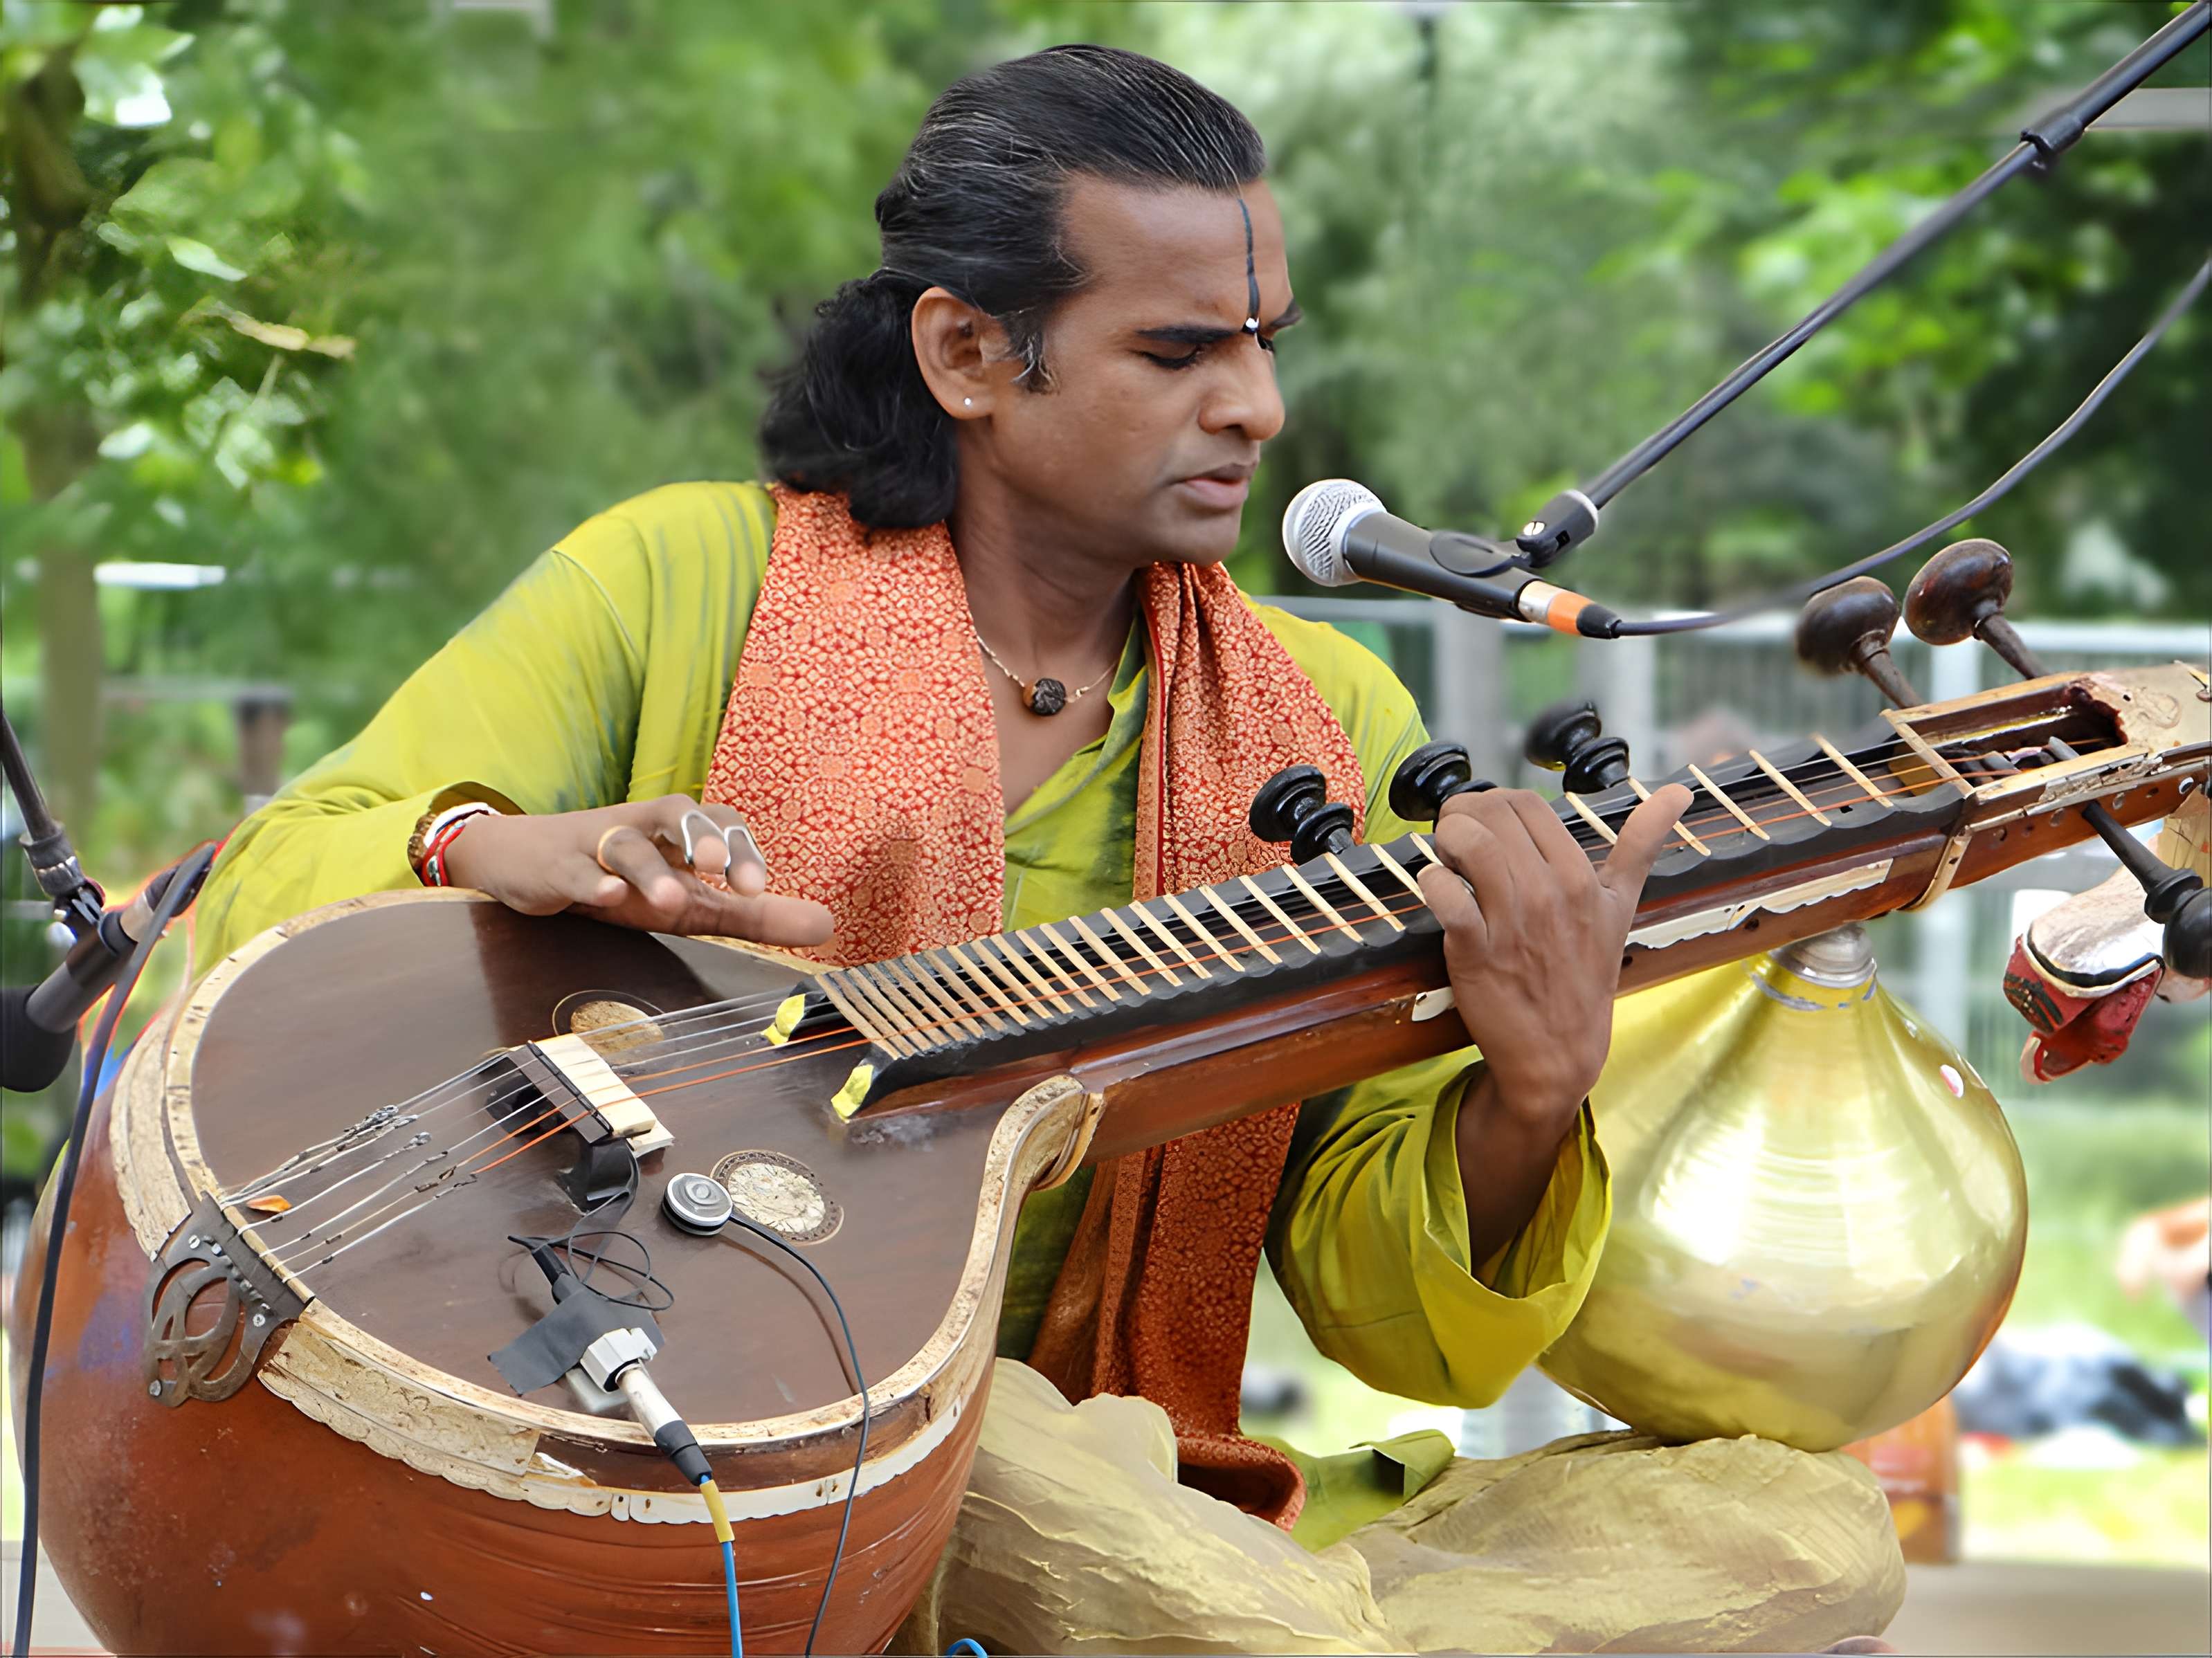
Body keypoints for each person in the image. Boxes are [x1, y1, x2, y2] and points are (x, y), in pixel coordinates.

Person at [191, 45, 1901, 1653]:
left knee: (1808, 1532)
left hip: (1139, 1454)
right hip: (741, 1411)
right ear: (964, 357)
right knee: (1200, 1588)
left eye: (1266, 342)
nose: (1260, 411)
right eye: (1179, 354)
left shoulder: (1331, 720)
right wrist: (498, 845)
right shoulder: (685, 586)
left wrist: (1531, 1090)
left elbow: (1395, 1329)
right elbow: (275, 875)